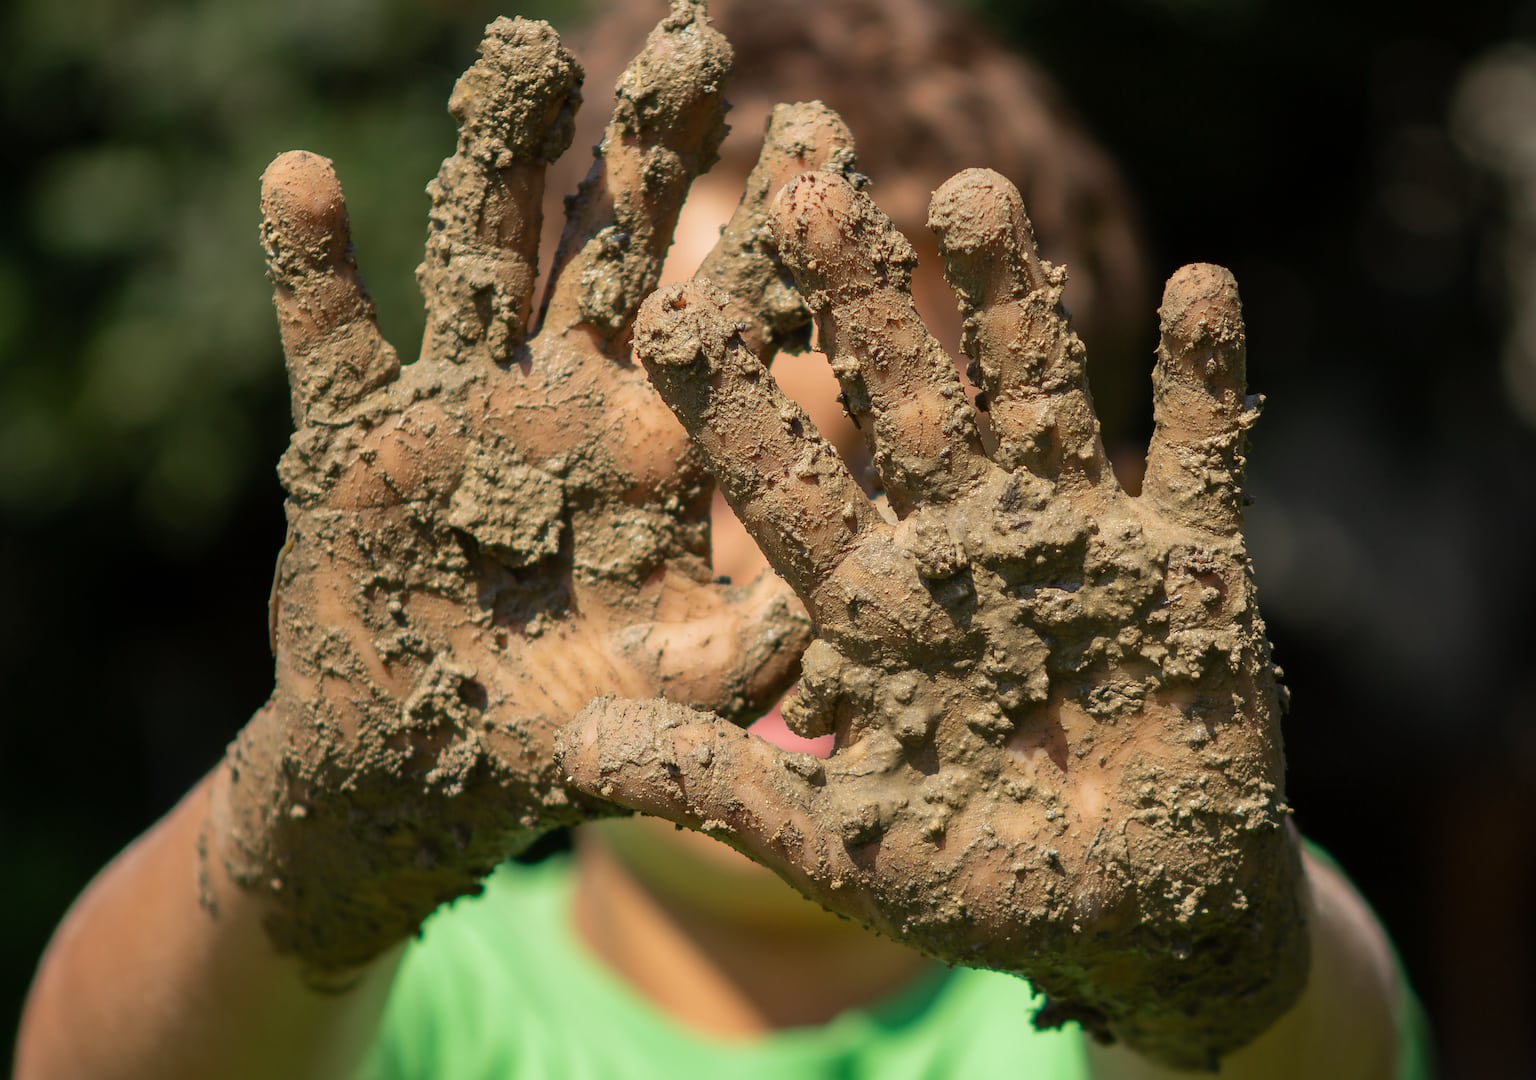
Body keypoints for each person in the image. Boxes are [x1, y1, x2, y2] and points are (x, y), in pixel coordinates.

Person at [15, 2, 1429, 1077]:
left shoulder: (1100, 1000)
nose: (785, 566)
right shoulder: (403, 1004)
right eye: (684, 479)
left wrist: (1203, 948)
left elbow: (1319, 1044)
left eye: (887, 476)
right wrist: (322, 846)